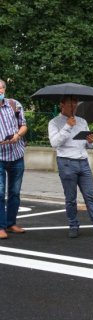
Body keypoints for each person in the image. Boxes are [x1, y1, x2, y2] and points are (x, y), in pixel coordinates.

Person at [48, 95, 93, 238]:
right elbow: (55, 143)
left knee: (90, 196)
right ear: (62, 105)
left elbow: (86, 144)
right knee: (71, 198)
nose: (74, 106)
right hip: (66, 161)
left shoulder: (82, 121)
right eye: (70, 103)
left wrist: (90, 141)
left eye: (75, 103)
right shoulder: (54, 122)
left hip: (83, 161)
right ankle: (73, 225)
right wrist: (67, 126)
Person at [0, 78, 28, 240]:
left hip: (16, 154)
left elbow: (23, 125)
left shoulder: (14, 104)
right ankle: (1, 226)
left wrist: (17, 135)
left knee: (15, 192)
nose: (0, 92)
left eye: (1, 89)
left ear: (4, 90)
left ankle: (11, 223)